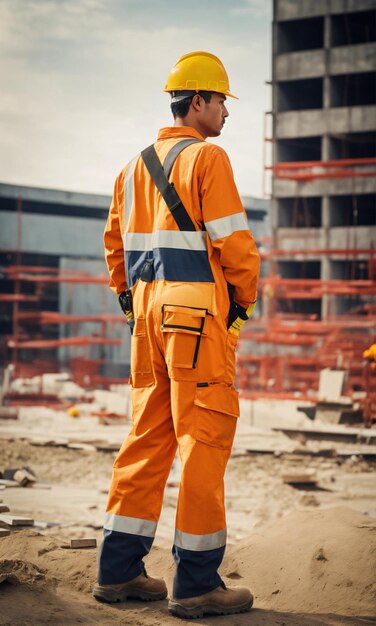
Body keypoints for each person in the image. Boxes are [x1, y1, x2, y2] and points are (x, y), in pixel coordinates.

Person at [93, 51, 260, 619]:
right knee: (204, 442)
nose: (225, 113)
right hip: (195, 319)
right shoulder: (208, 158)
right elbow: (235, 245)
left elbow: (115, 246)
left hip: (145, 317)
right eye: (219, 101)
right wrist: (243, 303)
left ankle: (118, 573)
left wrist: (129, 298)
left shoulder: (132, 167)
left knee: (146, 438)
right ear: (197, 102)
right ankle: (197, 584)